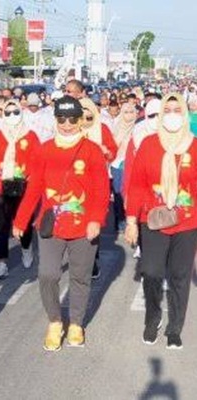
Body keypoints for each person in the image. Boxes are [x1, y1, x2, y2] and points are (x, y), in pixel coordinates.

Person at [12, 96, 110, 351]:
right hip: (51, 225)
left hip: (83, 226)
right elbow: (34, 189)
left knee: (80, 276)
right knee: (48, 274)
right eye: (61, 118)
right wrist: (21, 219)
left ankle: (76, 323)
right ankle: (55, 321)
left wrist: (96, 220)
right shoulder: (44, 149)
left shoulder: (92, 150)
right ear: (55, 119)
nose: (67, 124)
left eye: (72, 119)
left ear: (81, 121)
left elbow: (101, 189)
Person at [125, 93, 197, 350]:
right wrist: (132, 220)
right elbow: (136, 185)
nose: (173, 115)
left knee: (179, 276)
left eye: (178, 110)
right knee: (152, 272)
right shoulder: (148, 144)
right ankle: (152, 317)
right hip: (153, 220)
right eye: (168, 109)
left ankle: (175, 328)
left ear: (185, 114)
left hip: (187, 223)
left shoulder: (194, 145)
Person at [0, 100, 41, 280]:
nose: (11, 116)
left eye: (15, 112)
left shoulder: (30, 136)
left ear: (21, 113)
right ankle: (2, 262)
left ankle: (27, 249)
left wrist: (27, 173)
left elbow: (37, 161)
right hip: (0, 186)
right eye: (8, 113)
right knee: (1, 225)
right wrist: (0, 168)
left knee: (23, 222)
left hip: (23, 186)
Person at [79, 98, 117, 279]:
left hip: (97, 183)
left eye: (89, 111)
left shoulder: (102, 129)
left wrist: (104, 151)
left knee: (93, 220)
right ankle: (79, 258)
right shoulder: (71, 129)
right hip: (75, 185)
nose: (85, 116)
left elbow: (112, 151)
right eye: (82, 111)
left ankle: (93, 260)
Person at [109, 103, 137, 232]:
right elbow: (111, 146)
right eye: (126, 112)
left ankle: (131, 220)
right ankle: (119, 221)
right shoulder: (116, 127)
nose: (129, 115)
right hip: (117, 165)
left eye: (132, 112)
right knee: (118, 193)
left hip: (134, 165)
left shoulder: (139, 128)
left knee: (132, 194)